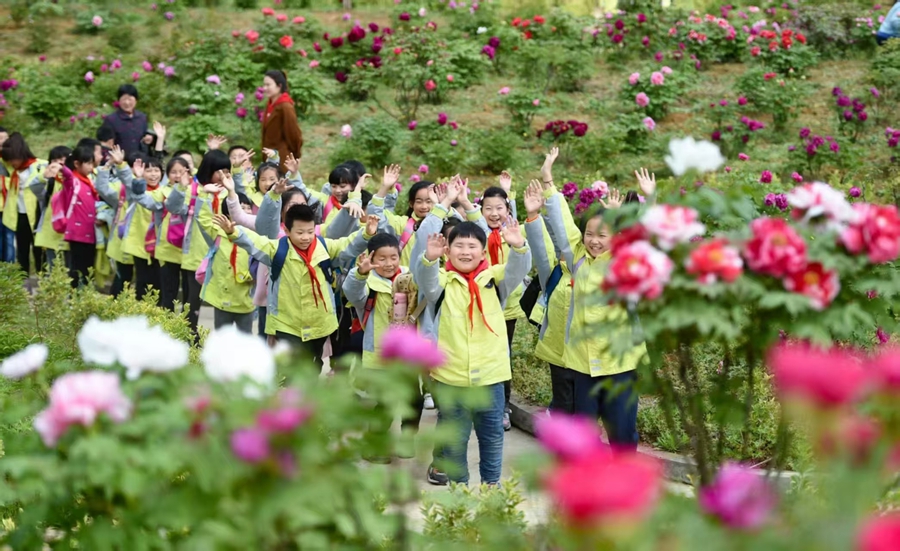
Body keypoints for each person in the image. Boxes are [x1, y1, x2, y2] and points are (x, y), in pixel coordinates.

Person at [541, 148, 648, 452]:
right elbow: (561, 223)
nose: (595, 241)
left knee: (623, 436)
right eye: (590, 234)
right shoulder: (576, 257)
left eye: (603, 235)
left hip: (619, 365)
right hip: (582, 365)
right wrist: (548, 181)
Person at [415, 209, 531, 487]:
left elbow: (519, 268)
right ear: (448, 251)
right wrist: (429, 258)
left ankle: (491, 486)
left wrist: (518, 246)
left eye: (472, 247)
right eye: (459, 246)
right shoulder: (442, 283)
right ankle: (460, 489)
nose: (465, 252)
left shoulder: (494, 280)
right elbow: (426, 281)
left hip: (490, 377)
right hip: (451, 377)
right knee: (455, 438)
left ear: (483, 253)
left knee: (491, 435)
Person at [215, 204, 373, 370]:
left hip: (319, 322)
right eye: (300, 232)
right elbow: (254, 242)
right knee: (293, 369)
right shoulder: (277, 250)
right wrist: (233, 232)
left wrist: (366, 233)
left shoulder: (324, 248)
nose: (306, 237)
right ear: (287, 230)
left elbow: (347, 245)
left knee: (313, 366)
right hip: (287, 324)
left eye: (310, 232)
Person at [343, 233, 425, 460]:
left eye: (393, 257)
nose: (389, 264)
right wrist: (360, 273)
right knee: (386, 402)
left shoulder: (409, 278)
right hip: (380, 355)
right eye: (382, 259)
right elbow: (351, 291)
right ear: (371, 258)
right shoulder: (368, 283)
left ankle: (407, 442)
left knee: (414, 399)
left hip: (408, 354)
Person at [166, 149, 231, 339]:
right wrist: (181, 188)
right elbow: (174, 207)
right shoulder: (195, 191)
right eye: (219, 171)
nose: (223, 176)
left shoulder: (229, 191)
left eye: (227, 171)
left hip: (223, 255)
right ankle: (188, 339)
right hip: (196, 254)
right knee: (192, 303)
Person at [1, 133, 44, 275]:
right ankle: (23, 279)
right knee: (22, 249)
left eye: (13, 159)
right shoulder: (11, 169)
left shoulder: (39, 166)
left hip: (36, 214)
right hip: (19, 214)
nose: (12, 162)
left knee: (39, 248)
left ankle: (42, 277)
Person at [57, 145, 100, 287]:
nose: (90, 167)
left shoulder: (90, 181)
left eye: (92, 163)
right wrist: (60, 167)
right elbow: (67, 176)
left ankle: (84, 296)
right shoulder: (73, 181)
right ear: (77, 164)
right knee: (77, 267)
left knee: (88, 267)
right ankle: (74, 298)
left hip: (90, 231)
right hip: (78, 232)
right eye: (87, 163)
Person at [32, 146, 72, 271]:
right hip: (52, 231)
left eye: (62, 159)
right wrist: (43, 177)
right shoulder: (50, 182)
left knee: (71, 269)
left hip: (71, 231)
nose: (59, 164)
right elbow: (36, 190)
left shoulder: (75, 179)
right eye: (54, 160)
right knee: (53, 268)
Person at [260, 70, 303, 174]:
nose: (264, 88)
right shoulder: (270, 104)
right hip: (269, 157)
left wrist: (295, 155)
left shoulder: (285, 106)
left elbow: (293, 133)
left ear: (279, 86)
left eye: (268, 85)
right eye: (264, 85)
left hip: (282, 159)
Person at [103, 85, 148, 156]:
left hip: (140, 160)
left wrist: (149, 138)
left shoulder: (142, 117)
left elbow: (145, 135)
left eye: (130, 99)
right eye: (124, 99)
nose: (127, 103)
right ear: (119, 101)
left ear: (136, 100)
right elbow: (106, 145)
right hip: (120, 162)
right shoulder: (111, 120)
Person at [0, 127, 13, 263]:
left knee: (9, 239)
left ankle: (10, 269)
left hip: (10, 206)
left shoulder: (10, 160)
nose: (2, 142)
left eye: (5, 139)